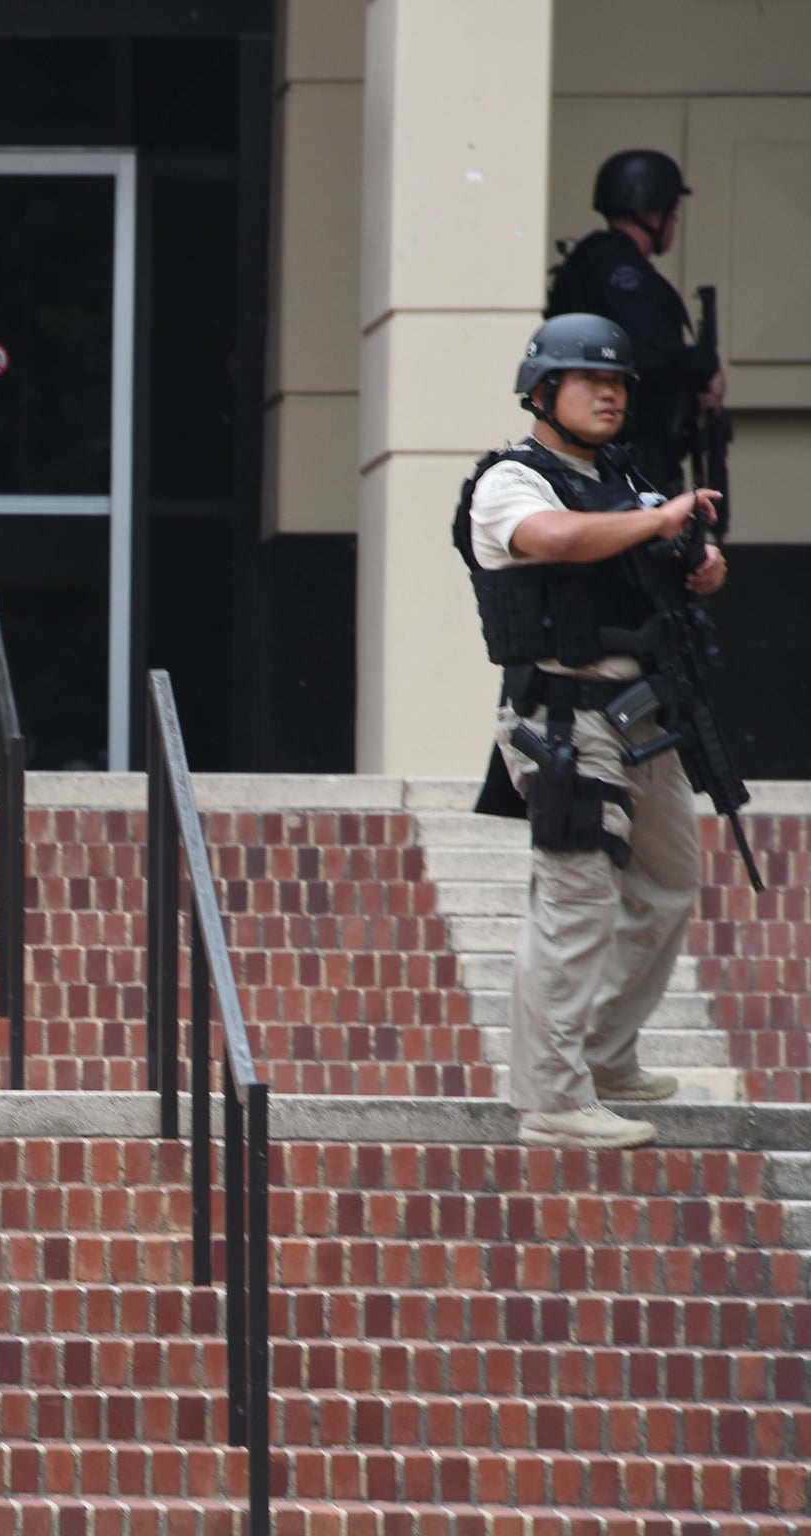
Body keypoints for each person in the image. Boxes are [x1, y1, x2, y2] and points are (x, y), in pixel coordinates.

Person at [455, 313, 727, 1150]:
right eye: (590, 381)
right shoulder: (512, 480)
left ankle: (606, 1054)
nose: (610, 394)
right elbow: (556, 539)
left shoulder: (622, 477)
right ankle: (552, 1095)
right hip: (563, 719)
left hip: (645, 713)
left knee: (670, 883)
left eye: (618, 384)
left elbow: (672, 564)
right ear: (543, 391)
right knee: (576, 902)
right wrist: (655, 522)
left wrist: (698, 561)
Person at [546, 150, 724, 496]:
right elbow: (647, 353)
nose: (674, 219)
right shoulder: (623, 273)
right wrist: (706, 364)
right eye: (671, 210)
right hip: (633, 450)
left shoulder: (593, 262)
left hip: (609, 444)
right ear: (651, 210)